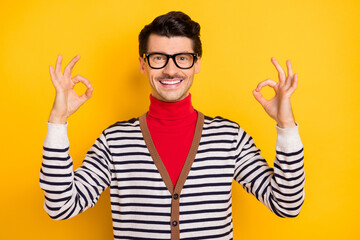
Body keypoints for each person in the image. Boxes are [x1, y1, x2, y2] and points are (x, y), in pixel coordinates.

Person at [40, 11, 304, 240]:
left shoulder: (230, 138)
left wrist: (286, 124)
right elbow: (61, 206)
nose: (170, 69)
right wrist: (57, 121)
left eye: (183, 58)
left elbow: (286, 204)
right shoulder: (114, 141)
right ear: (143, 64)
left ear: (196, 63)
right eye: (158, 58)